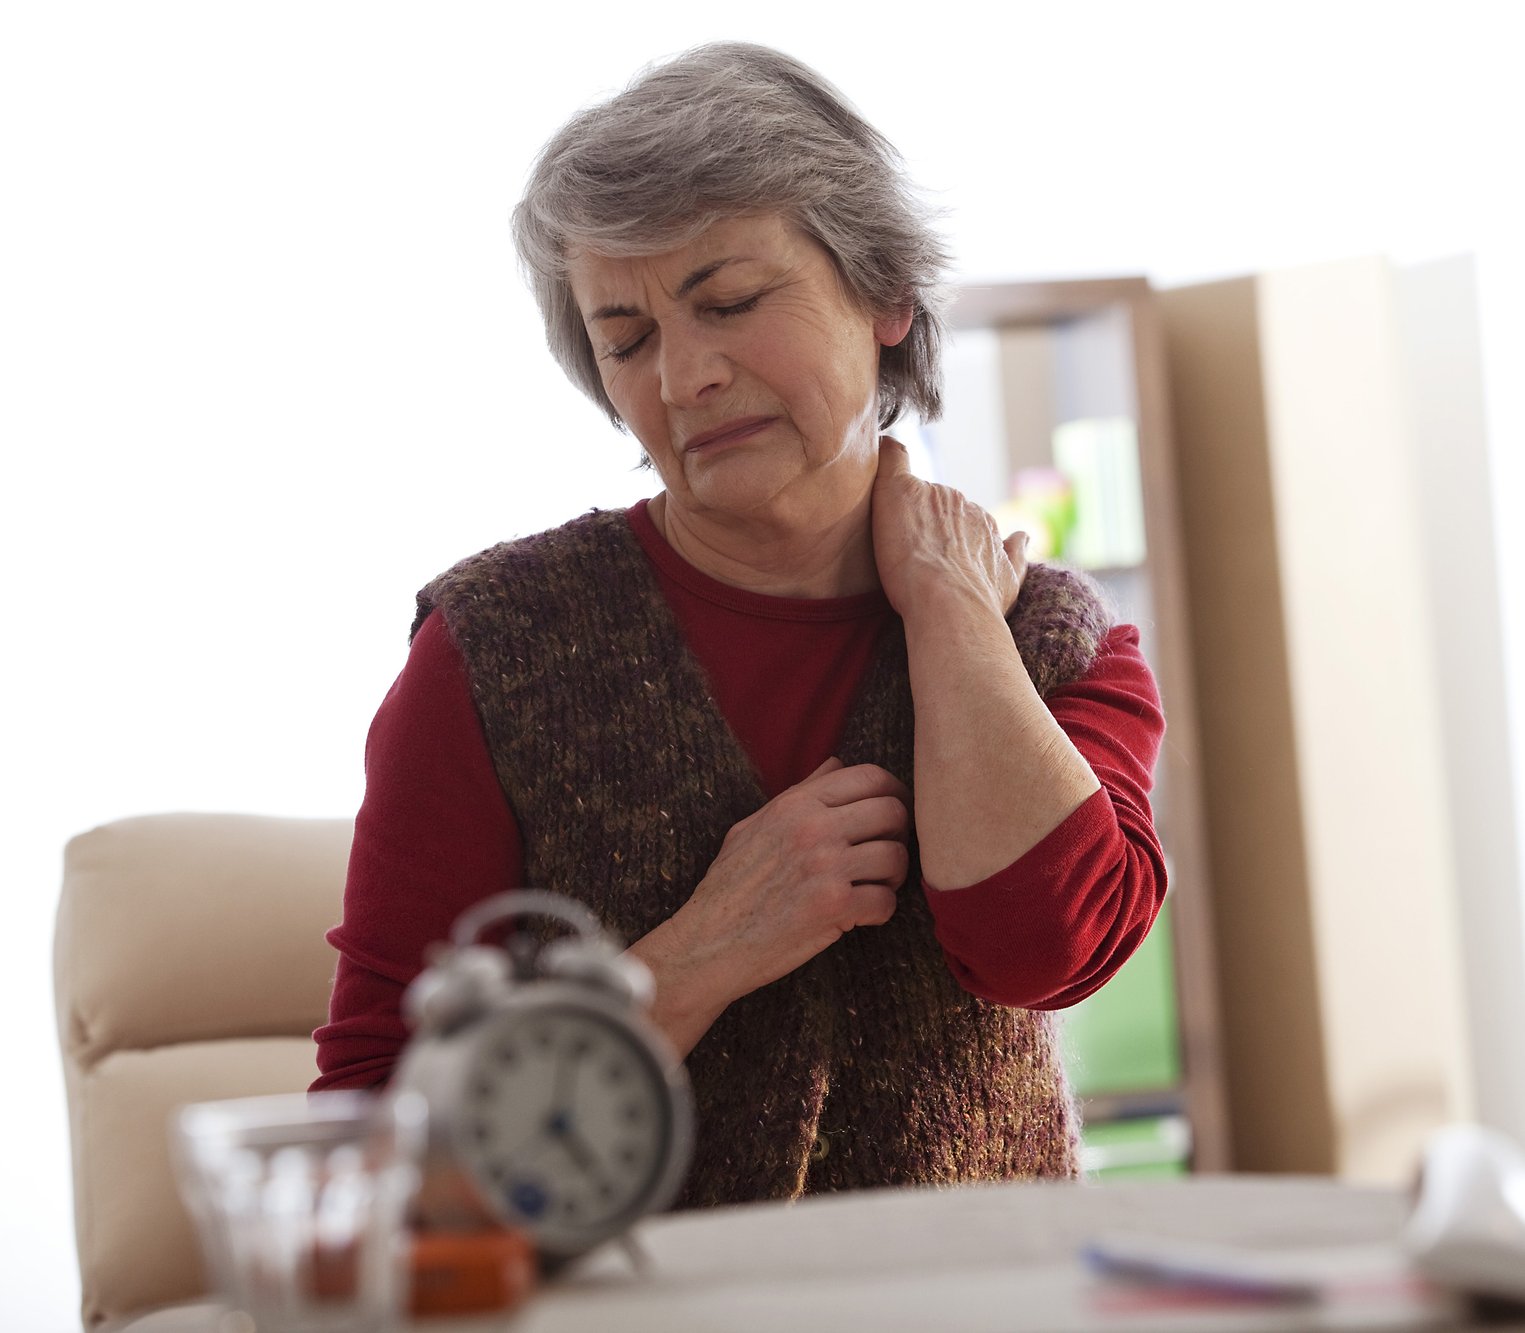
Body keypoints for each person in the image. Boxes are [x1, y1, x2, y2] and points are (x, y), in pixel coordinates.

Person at [314, 41, 1167, 1209]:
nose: (684, 375)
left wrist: (953, 612)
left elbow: (1047, 951)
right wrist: (700, 950)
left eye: (728, 301)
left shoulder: (1053, 637)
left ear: (882, 296)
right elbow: (370, 1154)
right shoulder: (489, 655)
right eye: (627, 339)